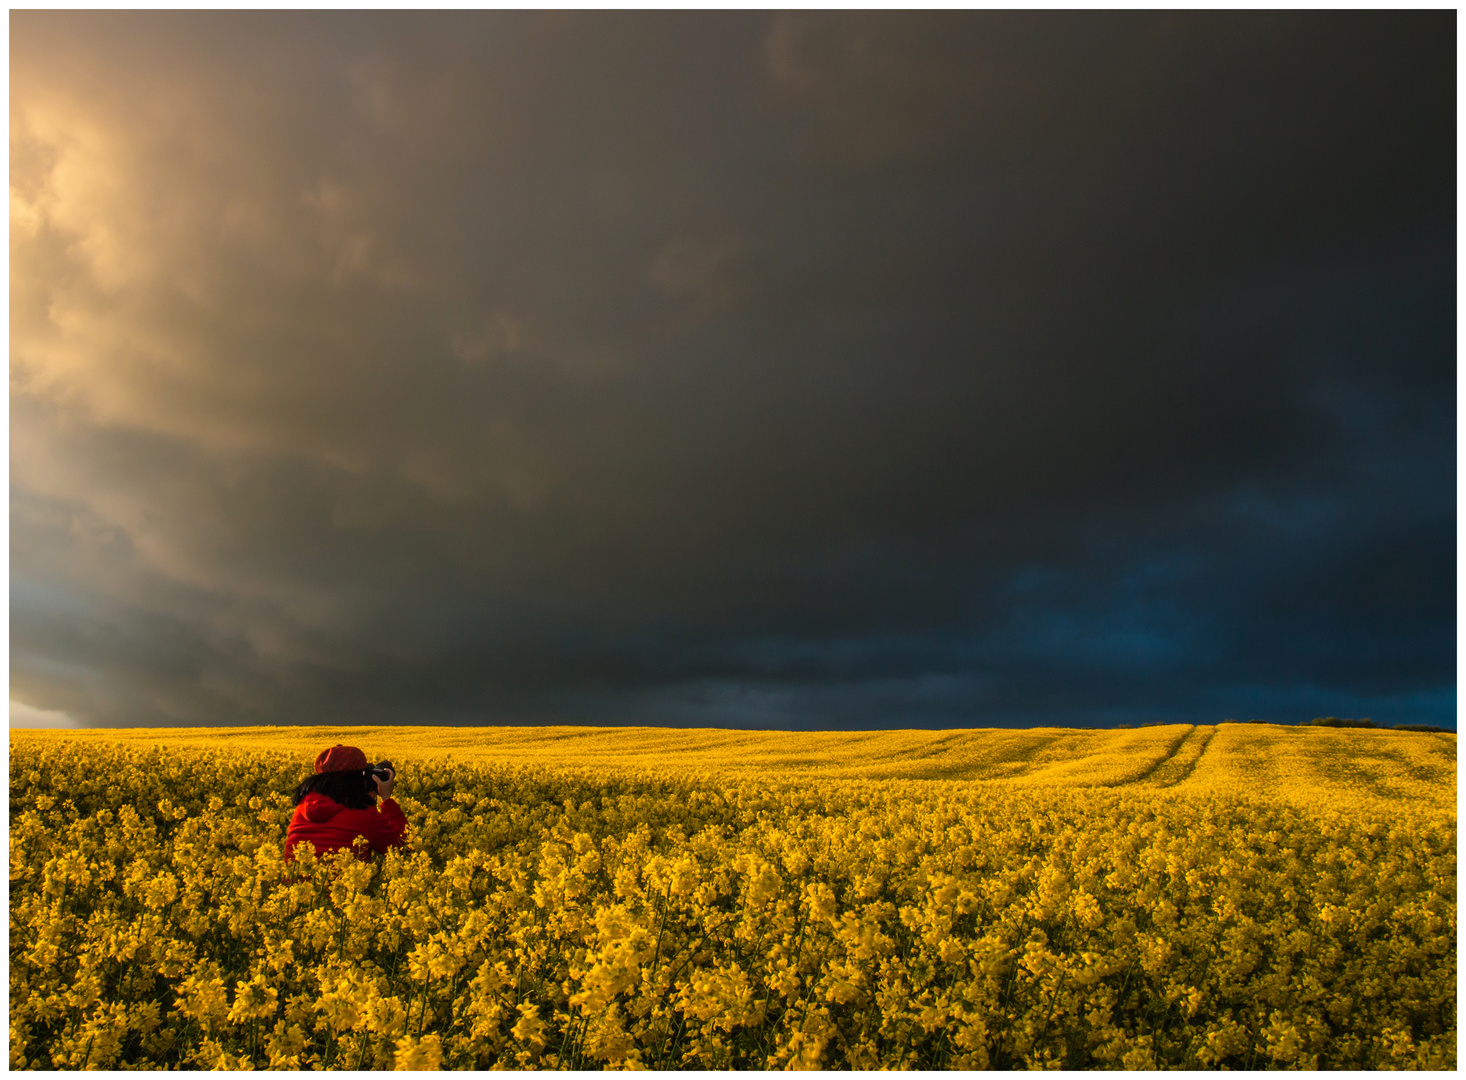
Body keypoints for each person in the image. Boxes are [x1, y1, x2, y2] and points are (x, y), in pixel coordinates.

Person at [284, 744, 406, 862]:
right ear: (357, 779)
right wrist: (386, 799)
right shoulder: (362, 812)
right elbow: (401, 846)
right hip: (346, 882)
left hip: (293, 881)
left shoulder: (303, 806)